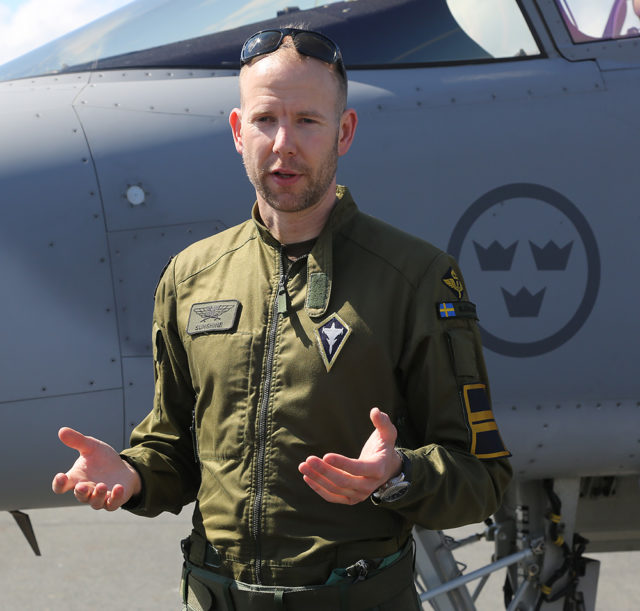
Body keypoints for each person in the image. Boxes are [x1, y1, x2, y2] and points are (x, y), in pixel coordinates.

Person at [52, 27, 512, 610]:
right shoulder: (191, 278)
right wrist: (133, 473)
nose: (283, 143)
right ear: (238, 132)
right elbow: (174, 449)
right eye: (266, 120)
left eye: (308, 122)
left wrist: (397, 474)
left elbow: (482, 478)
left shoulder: (415, 278)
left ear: (343, 133)